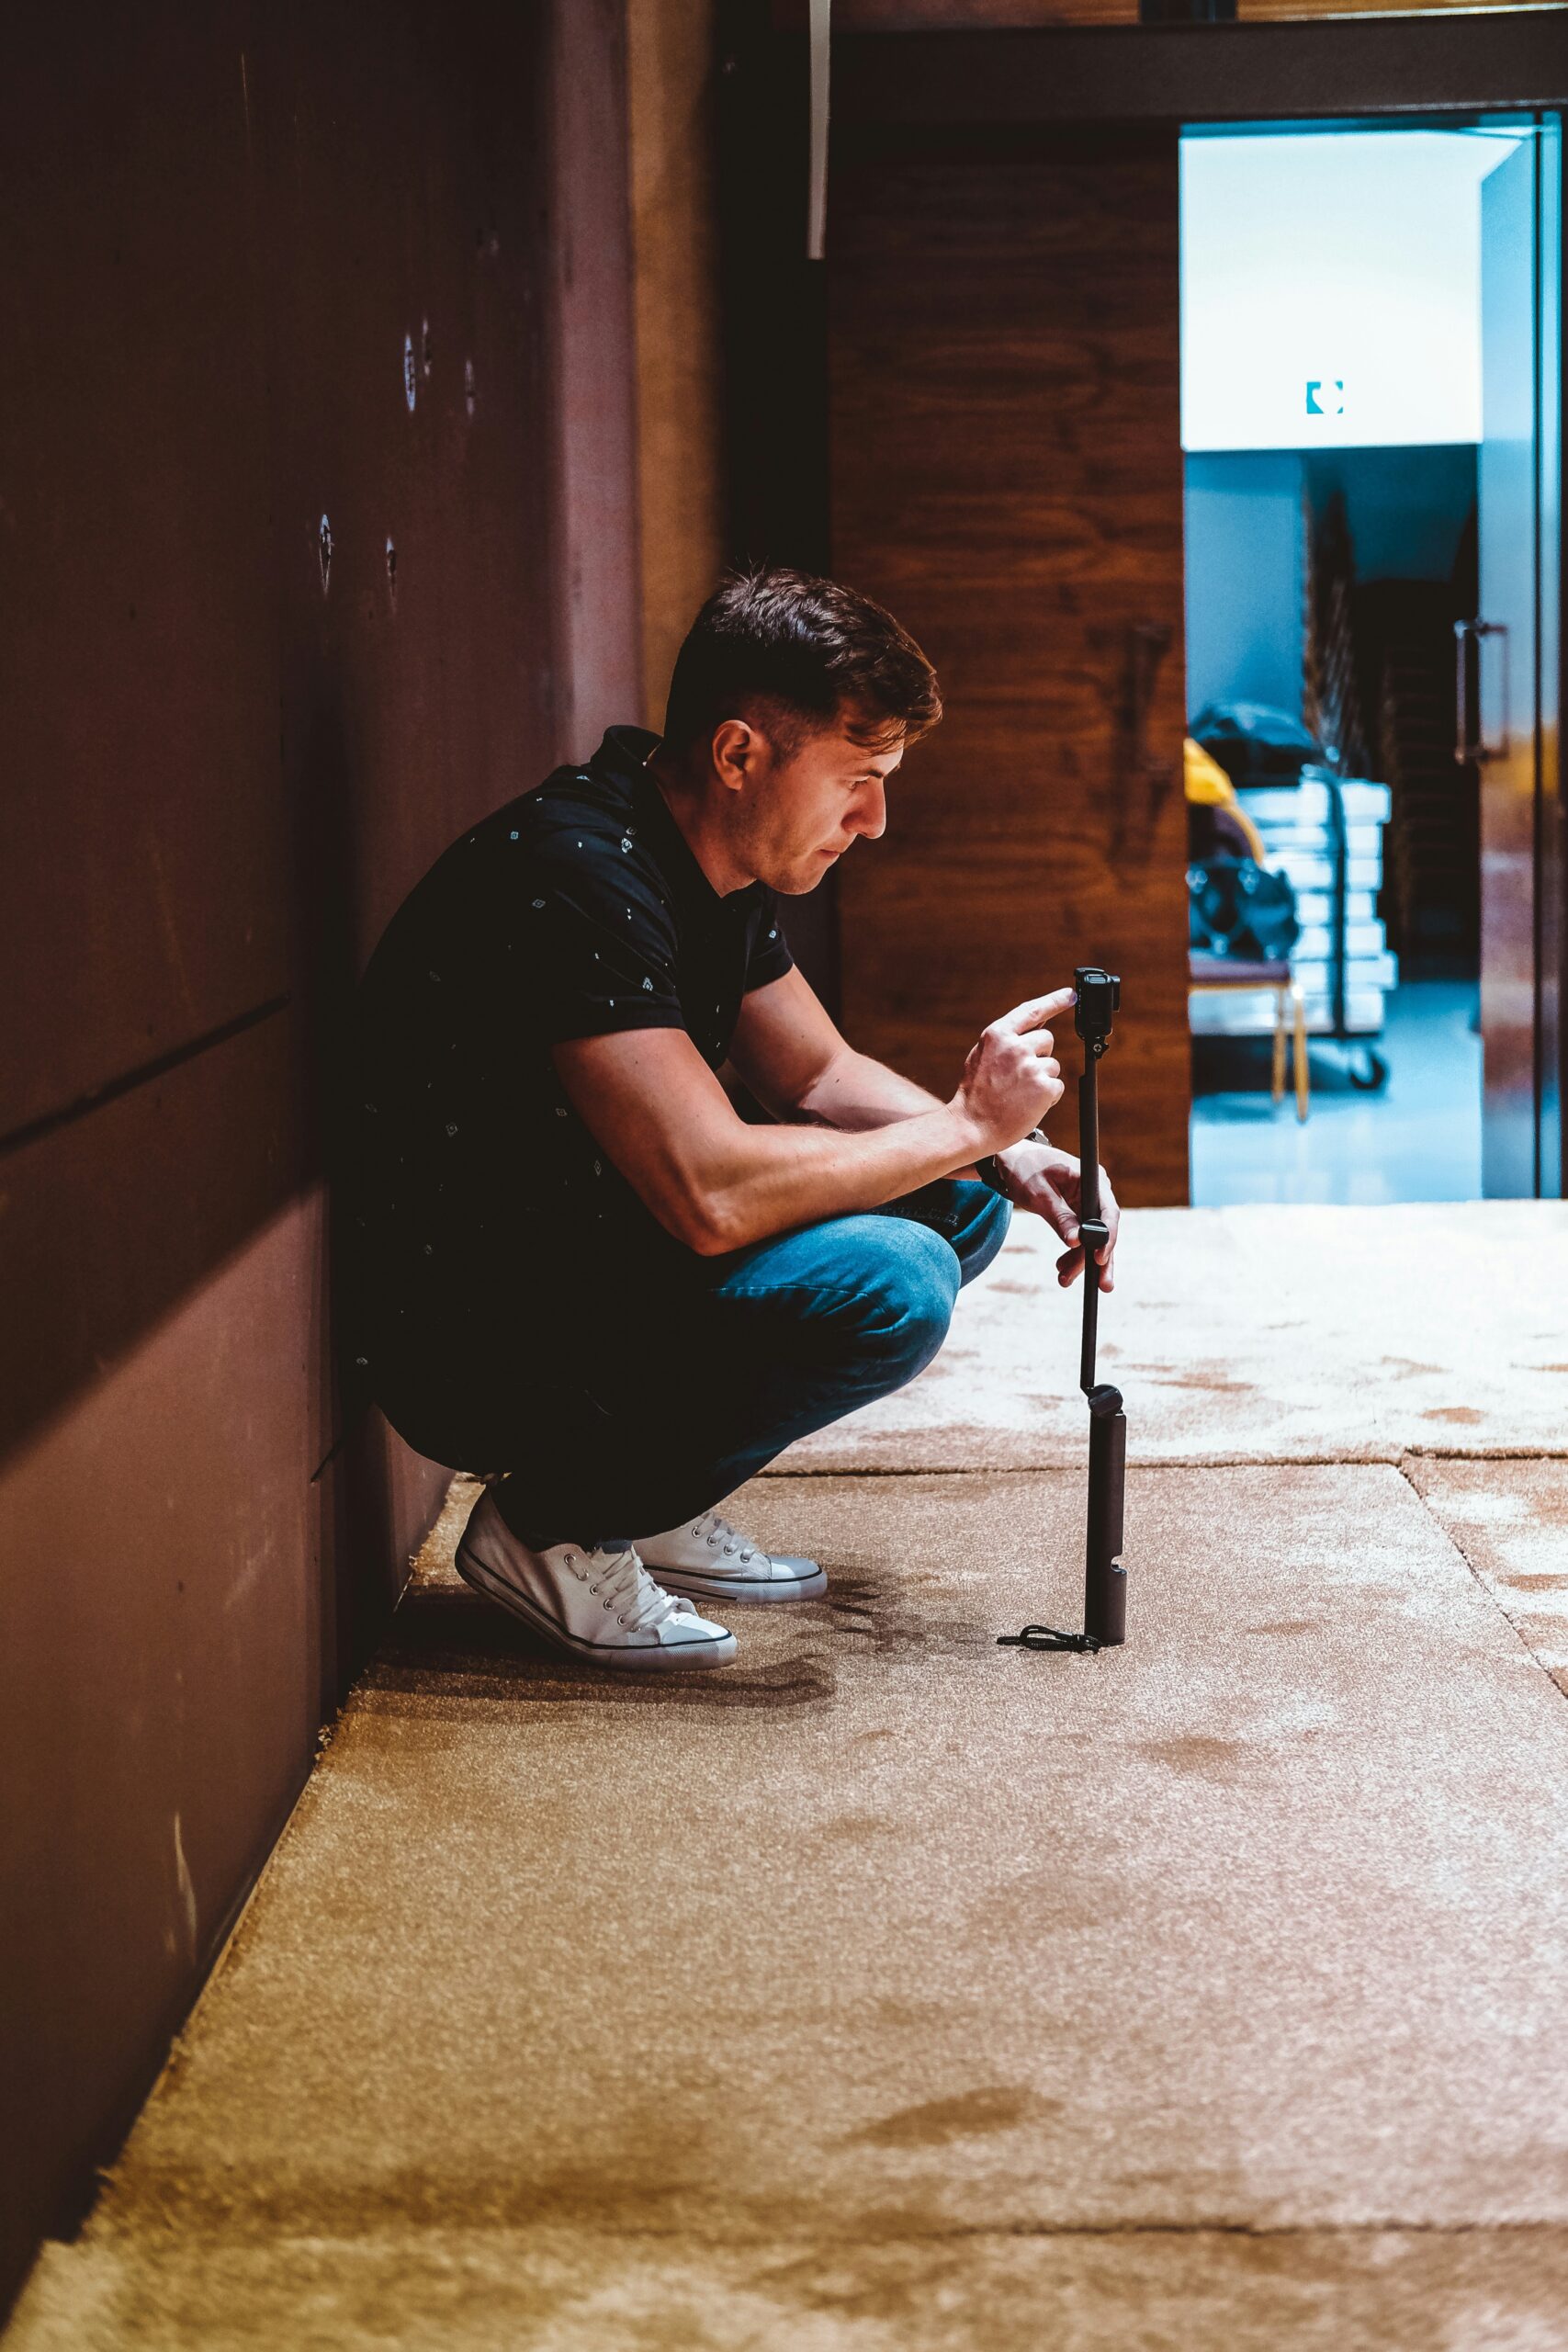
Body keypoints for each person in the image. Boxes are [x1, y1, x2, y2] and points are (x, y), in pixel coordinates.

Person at [344, 567, 1119, 1672]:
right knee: (896, 1278)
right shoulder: (580, 874)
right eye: (857, 778)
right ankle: (556, 1517)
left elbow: (816, 1074)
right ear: (740, 754)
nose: (877, 819)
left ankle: (646, 1485)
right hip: (471, 1328)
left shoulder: (709, 854)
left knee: (962, 1202)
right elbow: (708, 1195)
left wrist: (1017, 1154)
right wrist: (966, 1125)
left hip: (584, 1252)